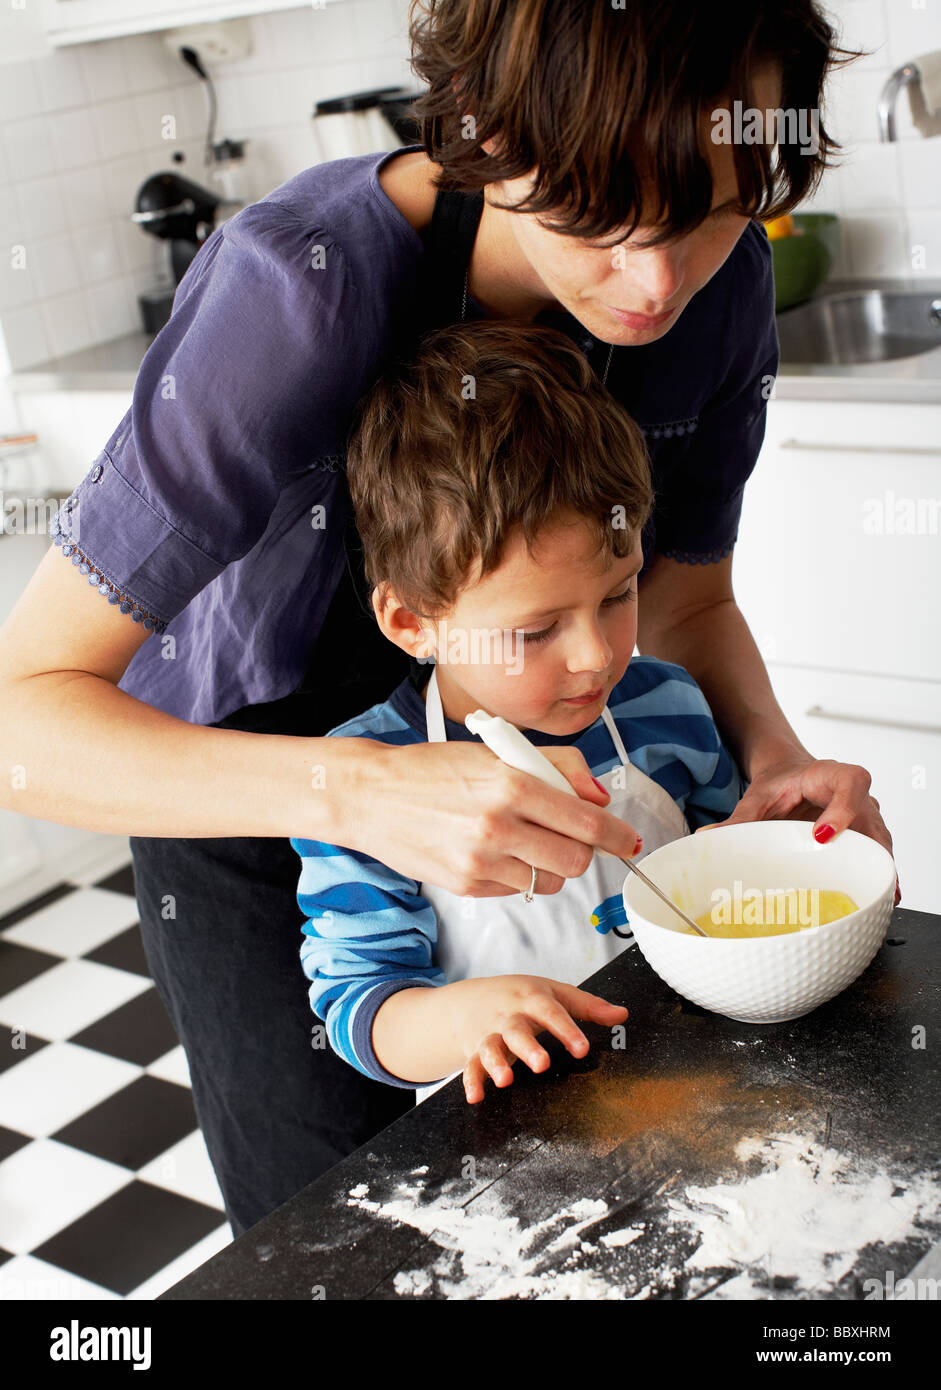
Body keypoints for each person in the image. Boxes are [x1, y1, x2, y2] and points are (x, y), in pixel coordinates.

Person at [0, 1, 894, 1237]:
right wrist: (363, 793)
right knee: (351, 1232)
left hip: (484, 805)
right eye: (600, 217)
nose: (656, 284)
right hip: (251, 794)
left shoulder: (719, 284)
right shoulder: (298, 288)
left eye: (708, 210)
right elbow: (21, 725)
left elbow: (686, 591)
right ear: (492, 137)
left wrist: (774, 759)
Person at [293, 317, 750, 1103]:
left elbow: (732, 873)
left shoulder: (668, 707)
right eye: (535, 630)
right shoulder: (372, 783)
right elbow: (356, 1006)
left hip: (700, 1081)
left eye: (617, 595)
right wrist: (463, 1018)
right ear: (411, 623)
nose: (596, 657)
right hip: (513, 1138)